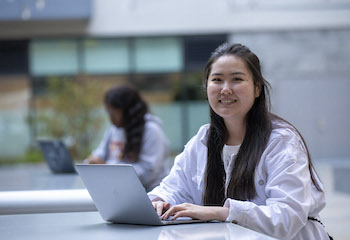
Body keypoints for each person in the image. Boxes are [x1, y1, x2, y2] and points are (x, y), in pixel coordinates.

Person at [149, 43, 331, 240]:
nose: (225, 89)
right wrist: (160, 201)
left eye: (237, 79)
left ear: (257, 88)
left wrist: (221, 212)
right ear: (207, 87)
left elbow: (286, 218)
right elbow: (174, 188)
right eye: (217, 80)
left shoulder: (281, 141)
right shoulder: (203, 140)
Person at [86, 84, 170, 191]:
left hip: (152, 196)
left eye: (113, 112)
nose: (110, 117)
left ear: (128, 110)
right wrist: (92, 161)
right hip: (121, 191)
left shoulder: (152, 130)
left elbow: (148, 172)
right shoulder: (114, 130)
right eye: (108, 112)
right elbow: (100, 154)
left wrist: (107, 168)